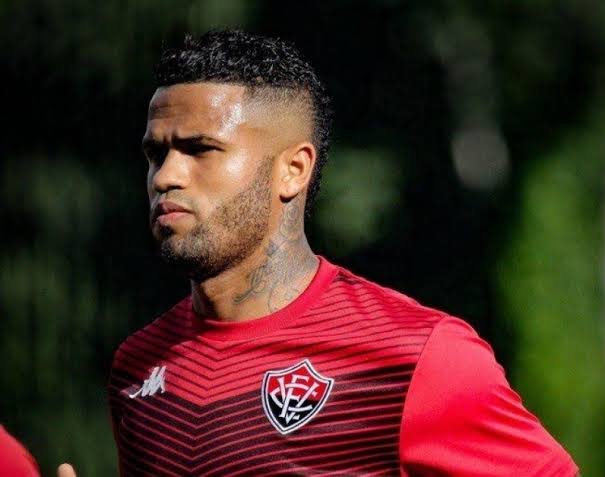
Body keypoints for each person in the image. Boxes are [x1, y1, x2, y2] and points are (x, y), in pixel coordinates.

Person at [103, 30, 579, 476]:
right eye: (156, 155)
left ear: (293, 170)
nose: (166, 177)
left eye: (200, 149)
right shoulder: (137, 367)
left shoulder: (416, 359)